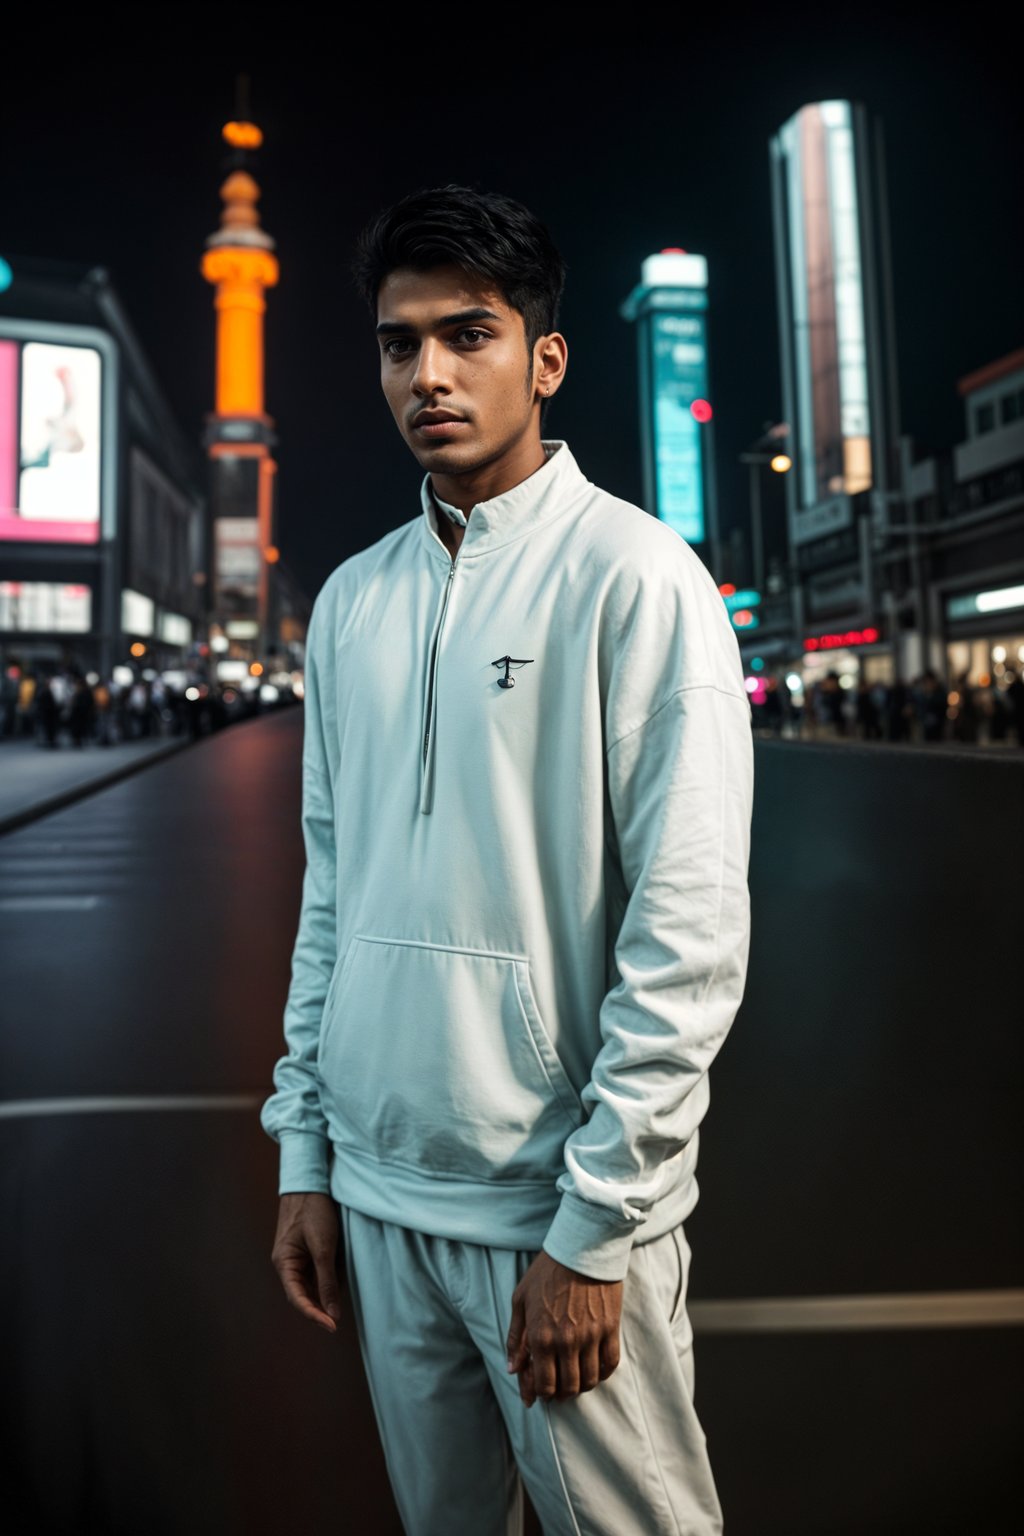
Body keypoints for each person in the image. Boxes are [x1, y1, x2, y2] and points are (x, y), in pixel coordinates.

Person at [259, 185, 754, 1536]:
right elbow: (332, 899)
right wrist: (308, 1153)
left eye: (467, 334)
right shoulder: (354, 601)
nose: (426, 373)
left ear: (545, 359)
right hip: (379, 1195)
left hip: (557, 1211)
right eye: (396, 342)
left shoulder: (638, 579)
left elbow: (691, 937)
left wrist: (595, 1228)